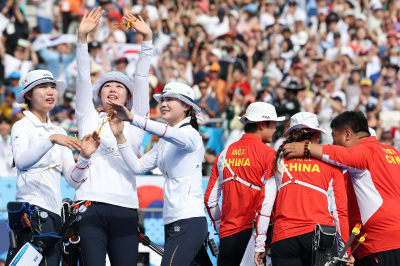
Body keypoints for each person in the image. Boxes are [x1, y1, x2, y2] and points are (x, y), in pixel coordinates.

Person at [74, 8, 154, 266]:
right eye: (107, 85)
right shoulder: (88, 116)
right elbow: (83, 79)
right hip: (89, 203)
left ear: (128, 97)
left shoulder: (136, 120)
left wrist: (147, 42)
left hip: (125, 206)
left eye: (119, 86)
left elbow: (141, 80)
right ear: (99, 94)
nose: (112, 89)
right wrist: (82, 40)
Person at [5, 69, 100, 266]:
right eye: (43, 87)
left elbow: (73, 180)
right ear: (29, 95)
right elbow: (21, 161)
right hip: (31, 211)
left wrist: (83, 157)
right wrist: (51, 140)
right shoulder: (22, 126)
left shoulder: (58, 130)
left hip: (55, 215)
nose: (50, 92)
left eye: (53, 87)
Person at [107, 82, 208, 266]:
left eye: (169, 99)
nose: (163, 103)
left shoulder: (191, 134)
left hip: (188, 220)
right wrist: (120, 137)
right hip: (173, 221)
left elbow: (167, 132)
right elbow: (138, 167)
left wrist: (132, 118)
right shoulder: (165, 140)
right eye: (162, 99)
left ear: (186, 106)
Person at [283, 111, 400, 266]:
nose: (332, 143)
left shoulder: (365, 151)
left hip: (379, 241)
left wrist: (307, 148)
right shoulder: (393, 152)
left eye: (334, 136)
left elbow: (343, 155)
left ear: (347, 134)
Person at [254, 112, 351, 266]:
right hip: (321, 237)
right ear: (317, 136)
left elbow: (265, 205)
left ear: (291, 136)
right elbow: (340, 213)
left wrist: (260, 244)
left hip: (284, 238)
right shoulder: (331, 164)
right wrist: (345, 251)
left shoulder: (278, 160)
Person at [205, 102, 283, 266]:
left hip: (227, 236)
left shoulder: (223, 155)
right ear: (262, 124)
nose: (276, 129)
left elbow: (210, 200)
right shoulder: (270, 154)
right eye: (274, 124)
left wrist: (222, 229)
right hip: (256, 236)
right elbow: (276, 198)